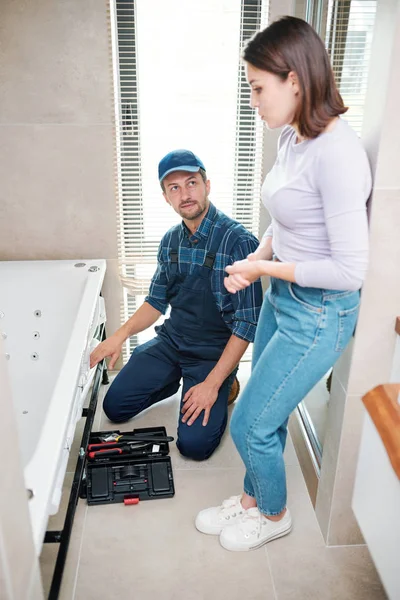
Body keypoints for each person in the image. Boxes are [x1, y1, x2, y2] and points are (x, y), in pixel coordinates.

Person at [195, 16, 372, 550]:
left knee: (251, 420)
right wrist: (256, 256)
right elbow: (286, 218)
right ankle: (251, 501)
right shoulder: (295, 136)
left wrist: (260, 270)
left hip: (320, 313)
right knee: (260, 407)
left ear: (294, 79)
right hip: (285, 298)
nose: (253, 100)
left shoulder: (339, 154)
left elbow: (349, 270)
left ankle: (273, 515)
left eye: (257, 88)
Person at [90, 149, 263, 461]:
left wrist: (212, 383)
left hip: (213, 353)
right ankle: (176, 379)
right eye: (174, 188)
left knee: (194, 447)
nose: (185, 194)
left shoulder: (238, 242)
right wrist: (120, 335)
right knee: (114, 407)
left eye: (191, 183)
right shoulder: (171, 240)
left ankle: (224, 384)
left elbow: (248, 324)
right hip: (172, 341)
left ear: (207, 185)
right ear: (165, 197)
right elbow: (156, 301)